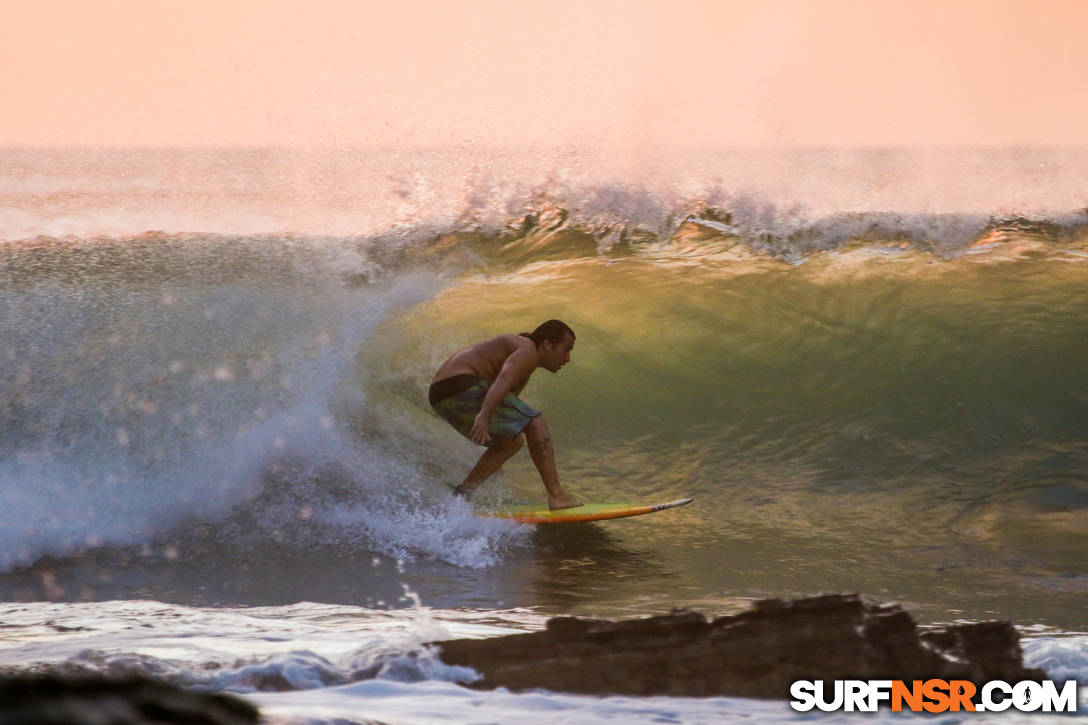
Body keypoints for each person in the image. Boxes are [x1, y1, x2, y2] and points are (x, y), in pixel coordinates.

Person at [429, 319, 583, 510]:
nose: (567, 358)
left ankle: (463, 494)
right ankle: (557, 495)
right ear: (547, 344)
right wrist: (483, 417)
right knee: (536, 422)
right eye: (566, 349)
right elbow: (502, 380)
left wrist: (495, 456)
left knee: (511, 441)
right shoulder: (527, 350)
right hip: (458, 384)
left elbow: (507, 408)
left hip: (441, 393)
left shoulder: (523, 357)